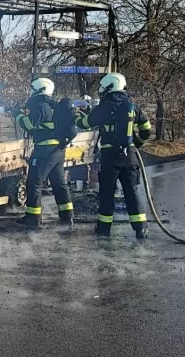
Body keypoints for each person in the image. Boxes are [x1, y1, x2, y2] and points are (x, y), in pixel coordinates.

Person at [76, 72, 152, 239]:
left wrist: (75, 115)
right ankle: (141, 228)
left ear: (110, 87)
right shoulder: (133, 107)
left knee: (107, 192)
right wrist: (135, 144)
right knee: (131, 190)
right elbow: (147, 130)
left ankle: (104, 229)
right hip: (129, 155)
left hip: (110, 156)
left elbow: (85, 123)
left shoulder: (103, 108)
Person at [14, 78, 74, 229]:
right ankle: (67, 217)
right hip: (58, 151)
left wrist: (17, 114)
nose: (31, 93)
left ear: (40, 90)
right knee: (59, 183)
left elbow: (28, 124)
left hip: (44, 151)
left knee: (34, 183)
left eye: (33, 90)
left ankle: (32, 218)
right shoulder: (55, 106)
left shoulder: (41, 106)